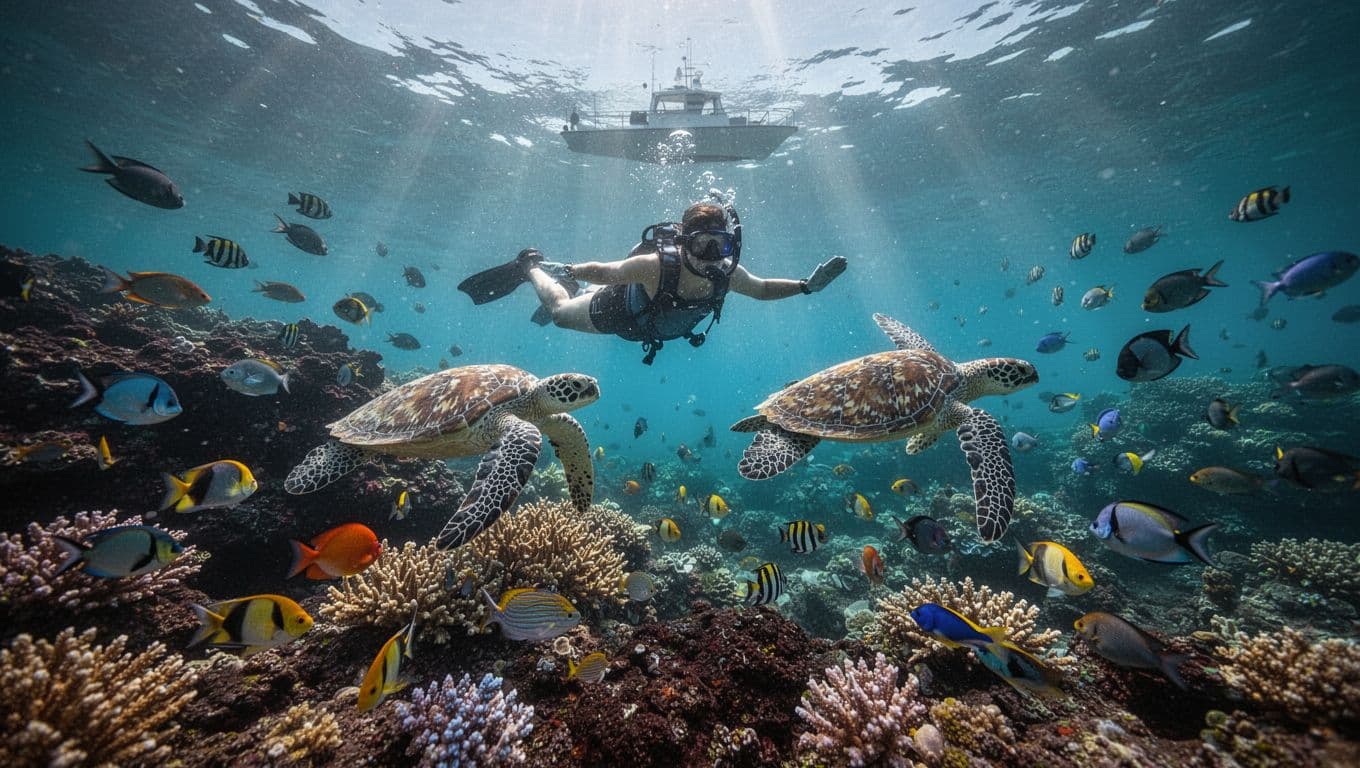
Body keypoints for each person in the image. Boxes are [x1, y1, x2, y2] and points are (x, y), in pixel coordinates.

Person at [458, 198, 847, 364]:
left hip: (649, 323)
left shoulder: (727, 274)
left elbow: (761, 289)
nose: (712, 254)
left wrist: (805, 286)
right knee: (559, 313)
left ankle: (573, 287)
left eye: (721, 244)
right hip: (618, 311)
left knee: (582, 296)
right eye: (702, 243)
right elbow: (608, 271)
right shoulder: (657, 266)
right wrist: (571, 270)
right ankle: (530, 267)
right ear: (685, 241)